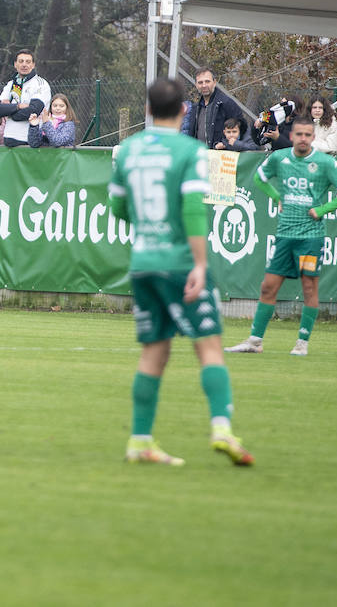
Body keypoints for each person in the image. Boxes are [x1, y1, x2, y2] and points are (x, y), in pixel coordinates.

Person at [108, 77, 252, 466]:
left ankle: (140, 440)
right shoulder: (189, 150)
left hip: (143, 265)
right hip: (179, 264)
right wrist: (201, 264)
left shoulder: (130, 150)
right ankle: (222, 428)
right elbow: (192, 210)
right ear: (185, 111)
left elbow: (118, 209)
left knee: (154, 352)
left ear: (149, 111)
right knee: (208, 346)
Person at [226, 116, 337, 356]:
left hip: (311, 237)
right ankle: (254, 341)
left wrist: (322, 210)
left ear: (313, 137)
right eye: (299, 134)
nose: (303, 139)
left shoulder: (324, 162)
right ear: (292, 135)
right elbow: (260, 178)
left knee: (309, 288)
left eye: (308, 135)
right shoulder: (280, 157)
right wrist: (277, 197)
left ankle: (302, 343)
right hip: (285, 235)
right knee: (268, 287)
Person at [0, 50, 51, 147]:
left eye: (28, 62)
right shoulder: (11, 84)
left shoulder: (40, 84)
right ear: (15, 64)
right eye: (21, 61)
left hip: (29, 142)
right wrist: (18, 106)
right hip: (8, 139)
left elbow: (33, 110)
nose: (24, 65)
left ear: (33, 65)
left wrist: (10, 112)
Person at [182, 68, 247, 148]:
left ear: (214, 82)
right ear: (196, 85)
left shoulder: (226, 103)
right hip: (200, 155)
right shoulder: (195, 107)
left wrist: (225, 144)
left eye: (207, 81)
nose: (204, 85)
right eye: (200, 82)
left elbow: (242, 128)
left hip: (222, 157)